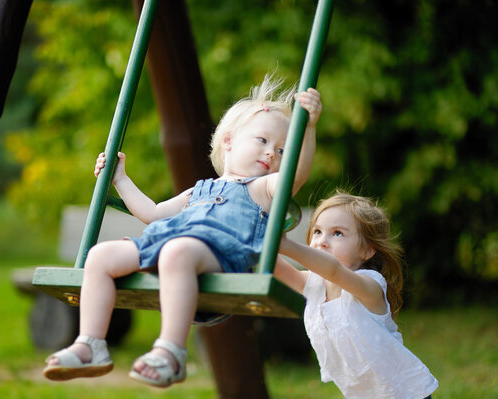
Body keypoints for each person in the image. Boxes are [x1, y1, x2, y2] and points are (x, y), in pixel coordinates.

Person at [42, 75, 322, 387]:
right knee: (100, 255)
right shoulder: (199, 190)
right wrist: (120, 179)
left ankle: (171, 353)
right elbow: (153, 213)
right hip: (169, 246)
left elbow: (296, 175)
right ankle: (90, 345)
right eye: (263, 141)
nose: (272, 153)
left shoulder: (265, 188)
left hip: (219, 253)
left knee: (177, 251)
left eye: (283, 150)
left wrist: (308, 129)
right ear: (228, 141)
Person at [275, 191, 439, 398]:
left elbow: (333, 270)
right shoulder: (314, 285)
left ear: (368, 250)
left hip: (405, 392)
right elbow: (275, 268)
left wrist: (287, 246)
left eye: (337, 233)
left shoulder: (369, 284)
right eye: (317, 232)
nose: (322, 241)